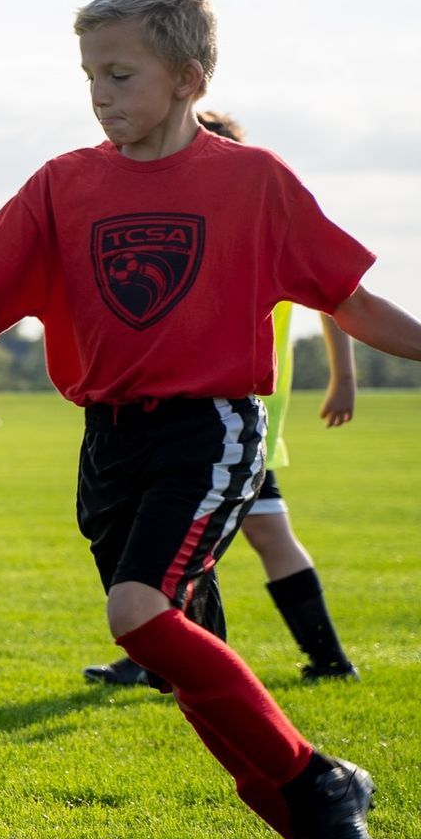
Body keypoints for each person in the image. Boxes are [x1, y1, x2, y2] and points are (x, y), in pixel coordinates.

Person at [0, 0, 421, 839]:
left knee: (140, 615)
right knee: (190, 669)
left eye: (121, 76)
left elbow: (347, 298)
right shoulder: (63, 184)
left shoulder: (253, 179)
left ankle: (321, 788)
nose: (101, 97)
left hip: (213, 427)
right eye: (90, 78)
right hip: (107, 444)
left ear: (187, 78)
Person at [86, 111, 360, 686]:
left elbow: (339, 295)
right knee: (231, 539)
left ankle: (167, 656)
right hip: (226, 421)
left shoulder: (251, 220)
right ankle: (314, 660)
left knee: (182, 543)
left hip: (230, 419)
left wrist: (344, 378)